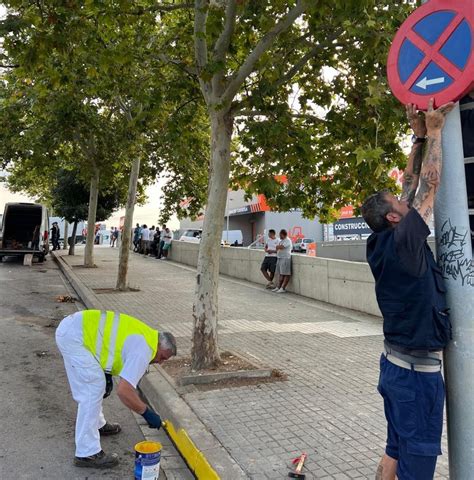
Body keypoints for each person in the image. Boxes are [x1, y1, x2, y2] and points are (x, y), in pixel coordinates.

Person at [361, 99, 454, 480]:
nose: (405, 200)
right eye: (400, 204)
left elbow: (410, 184)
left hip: (394, 368)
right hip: (417, 378)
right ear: (395, 218)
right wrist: (434, 133)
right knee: (416, 465)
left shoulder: (379, 240)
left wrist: (417, 138)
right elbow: (429, 185)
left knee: (395, 450)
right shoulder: (405, 241)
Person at [55, 309, 177, 469]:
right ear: (159, 347)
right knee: (92, 390)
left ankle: (98, 425)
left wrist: (105, 372)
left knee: (96, 386)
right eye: (162, 357)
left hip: (75, 330)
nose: (160, 362)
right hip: (75, 337)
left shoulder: (148, 336)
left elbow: (110, 345)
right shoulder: (144, 350)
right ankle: (87, 453)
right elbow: (124, 391)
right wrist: (146, 412)